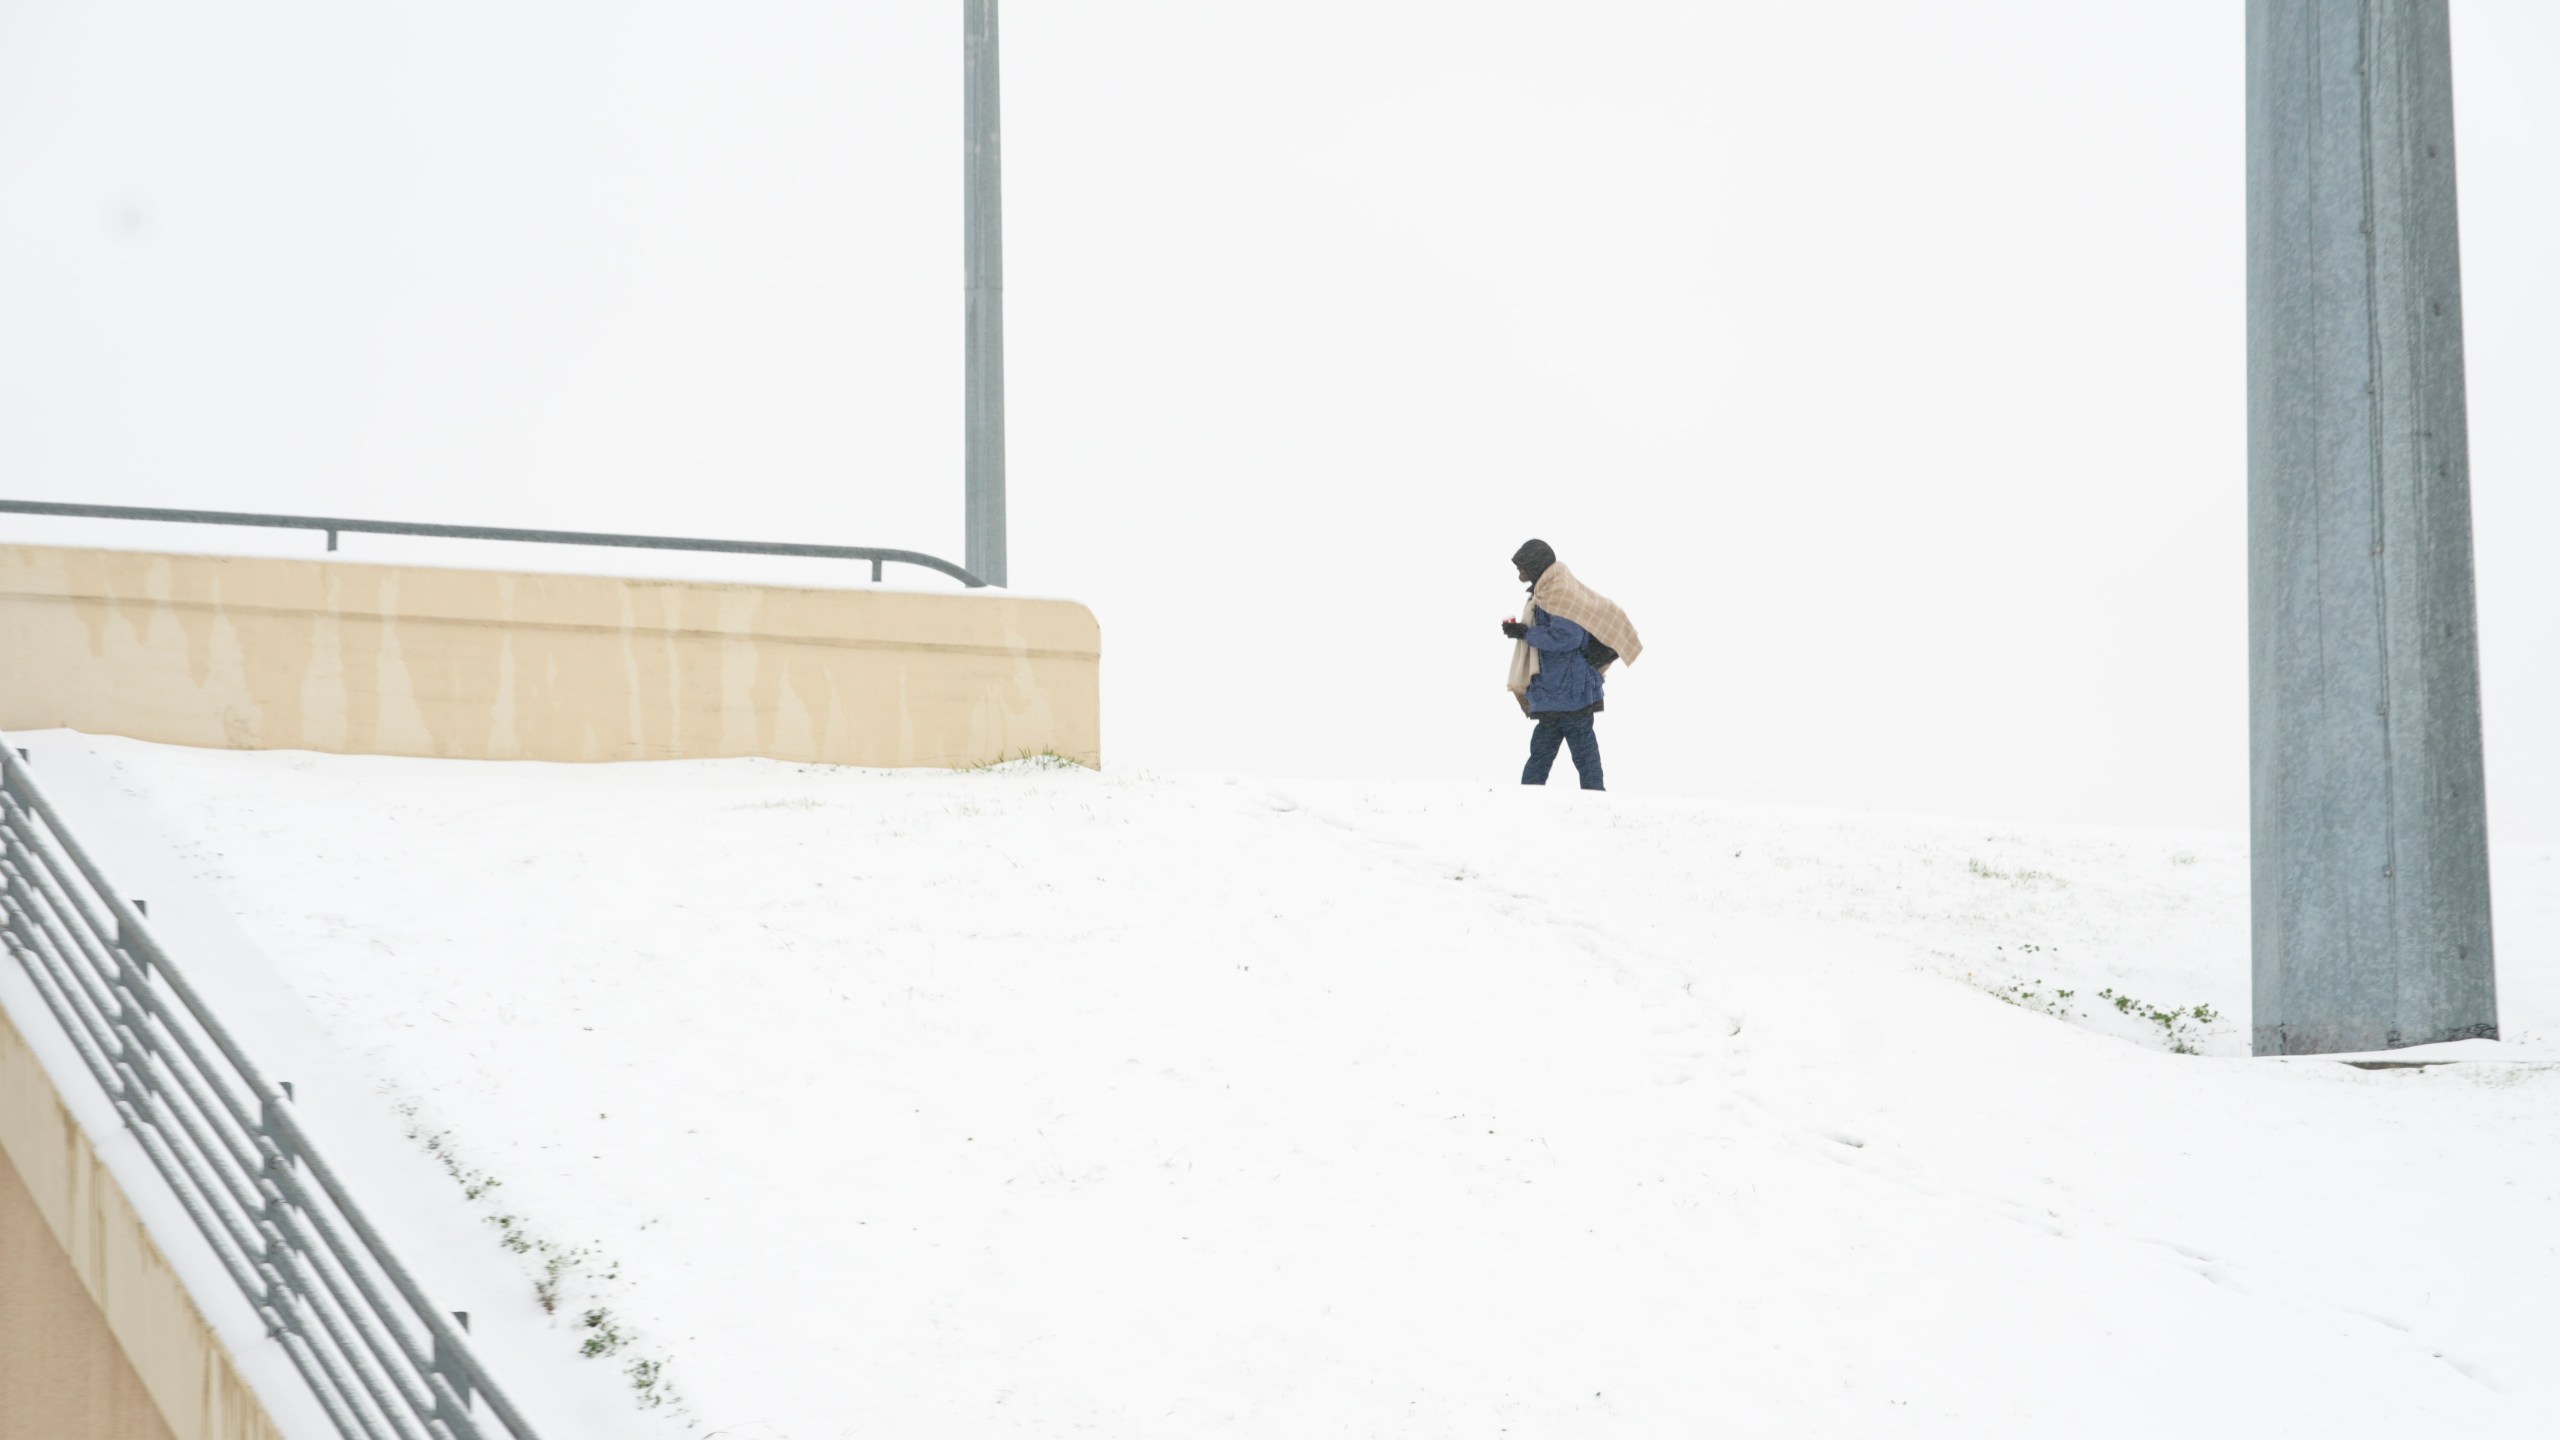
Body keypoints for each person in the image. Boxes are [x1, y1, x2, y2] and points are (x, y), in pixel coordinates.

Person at [1501, 539, 1642, 791]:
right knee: (1553, 755)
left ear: (1535, 565)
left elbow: (1568, 637)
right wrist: (1522, 631)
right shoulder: (1547, 590)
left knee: (1576, 756)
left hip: (1570, 692)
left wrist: (1525, 633)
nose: (1519, 572)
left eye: (1522, 566)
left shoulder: (1559, 592)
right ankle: (1528, 801)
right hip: (1557, 692)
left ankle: (1591, 802)